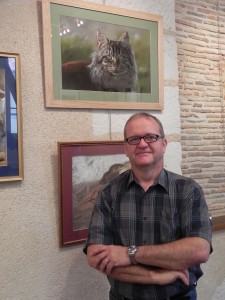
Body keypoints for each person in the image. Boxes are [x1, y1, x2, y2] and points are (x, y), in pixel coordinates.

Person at [84, 112, 212, 300]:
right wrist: (155, 276)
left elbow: (199, 250)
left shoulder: (188, 191)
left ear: (164, 144)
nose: (142, 144)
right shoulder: (108, 195)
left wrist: (129, 254)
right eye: (134, 139)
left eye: (151, 137)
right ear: (125, 148)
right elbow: (97, 258)